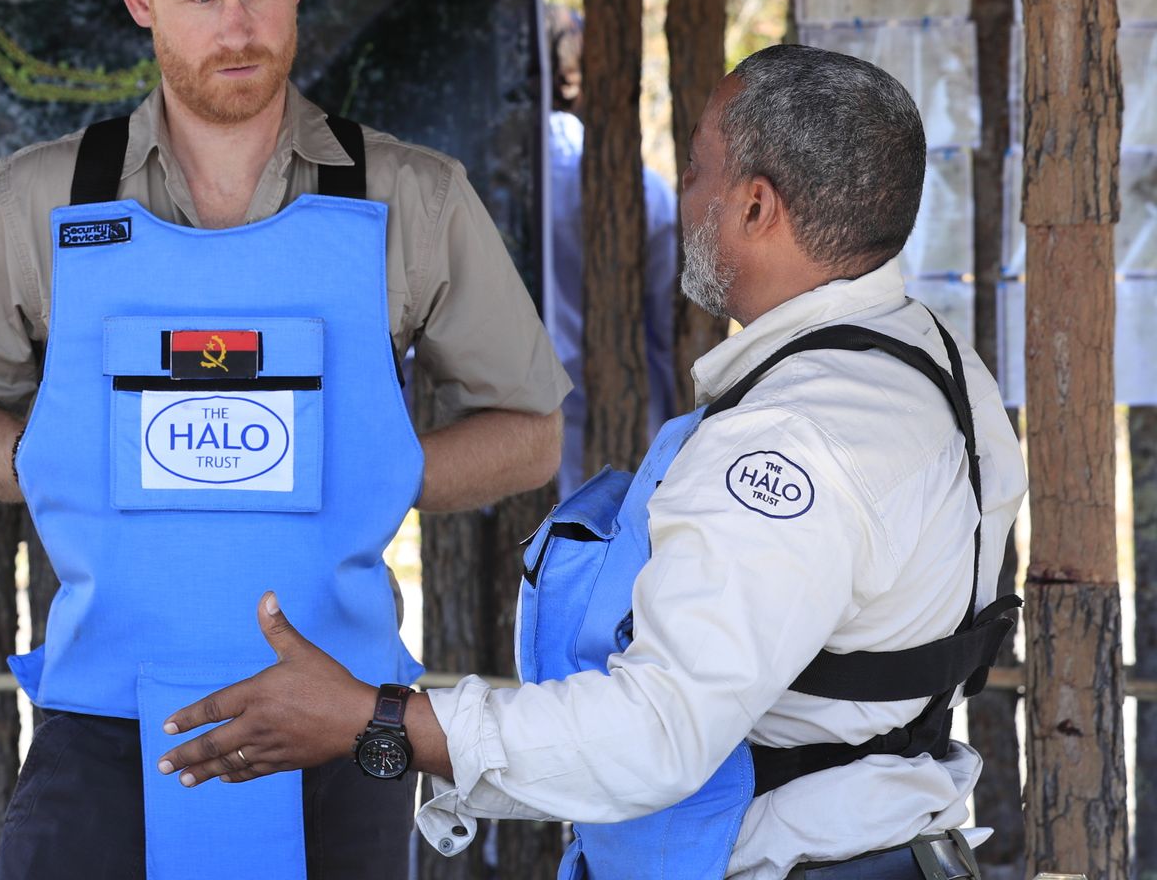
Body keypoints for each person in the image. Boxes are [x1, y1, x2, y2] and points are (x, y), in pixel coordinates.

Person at [151, 44, 1026, 880]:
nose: (686, 199)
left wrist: (378, 721)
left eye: (697, 173)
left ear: (757, 208)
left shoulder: (785, 444)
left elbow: (655, 735)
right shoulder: (941, 367)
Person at [0, 0, 569, 880]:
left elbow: (528, 434)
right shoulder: (42, 199)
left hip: (335, 715)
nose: (238, 29)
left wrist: (371, 469)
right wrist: (58, 456)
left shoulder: (411, 196)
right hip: (100, 712)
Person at [542, 7, 679, 494]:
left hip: (506, 447)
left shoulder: (477, 182)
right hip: (624, 449)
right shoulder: (646, 194)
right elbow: (670, 334)